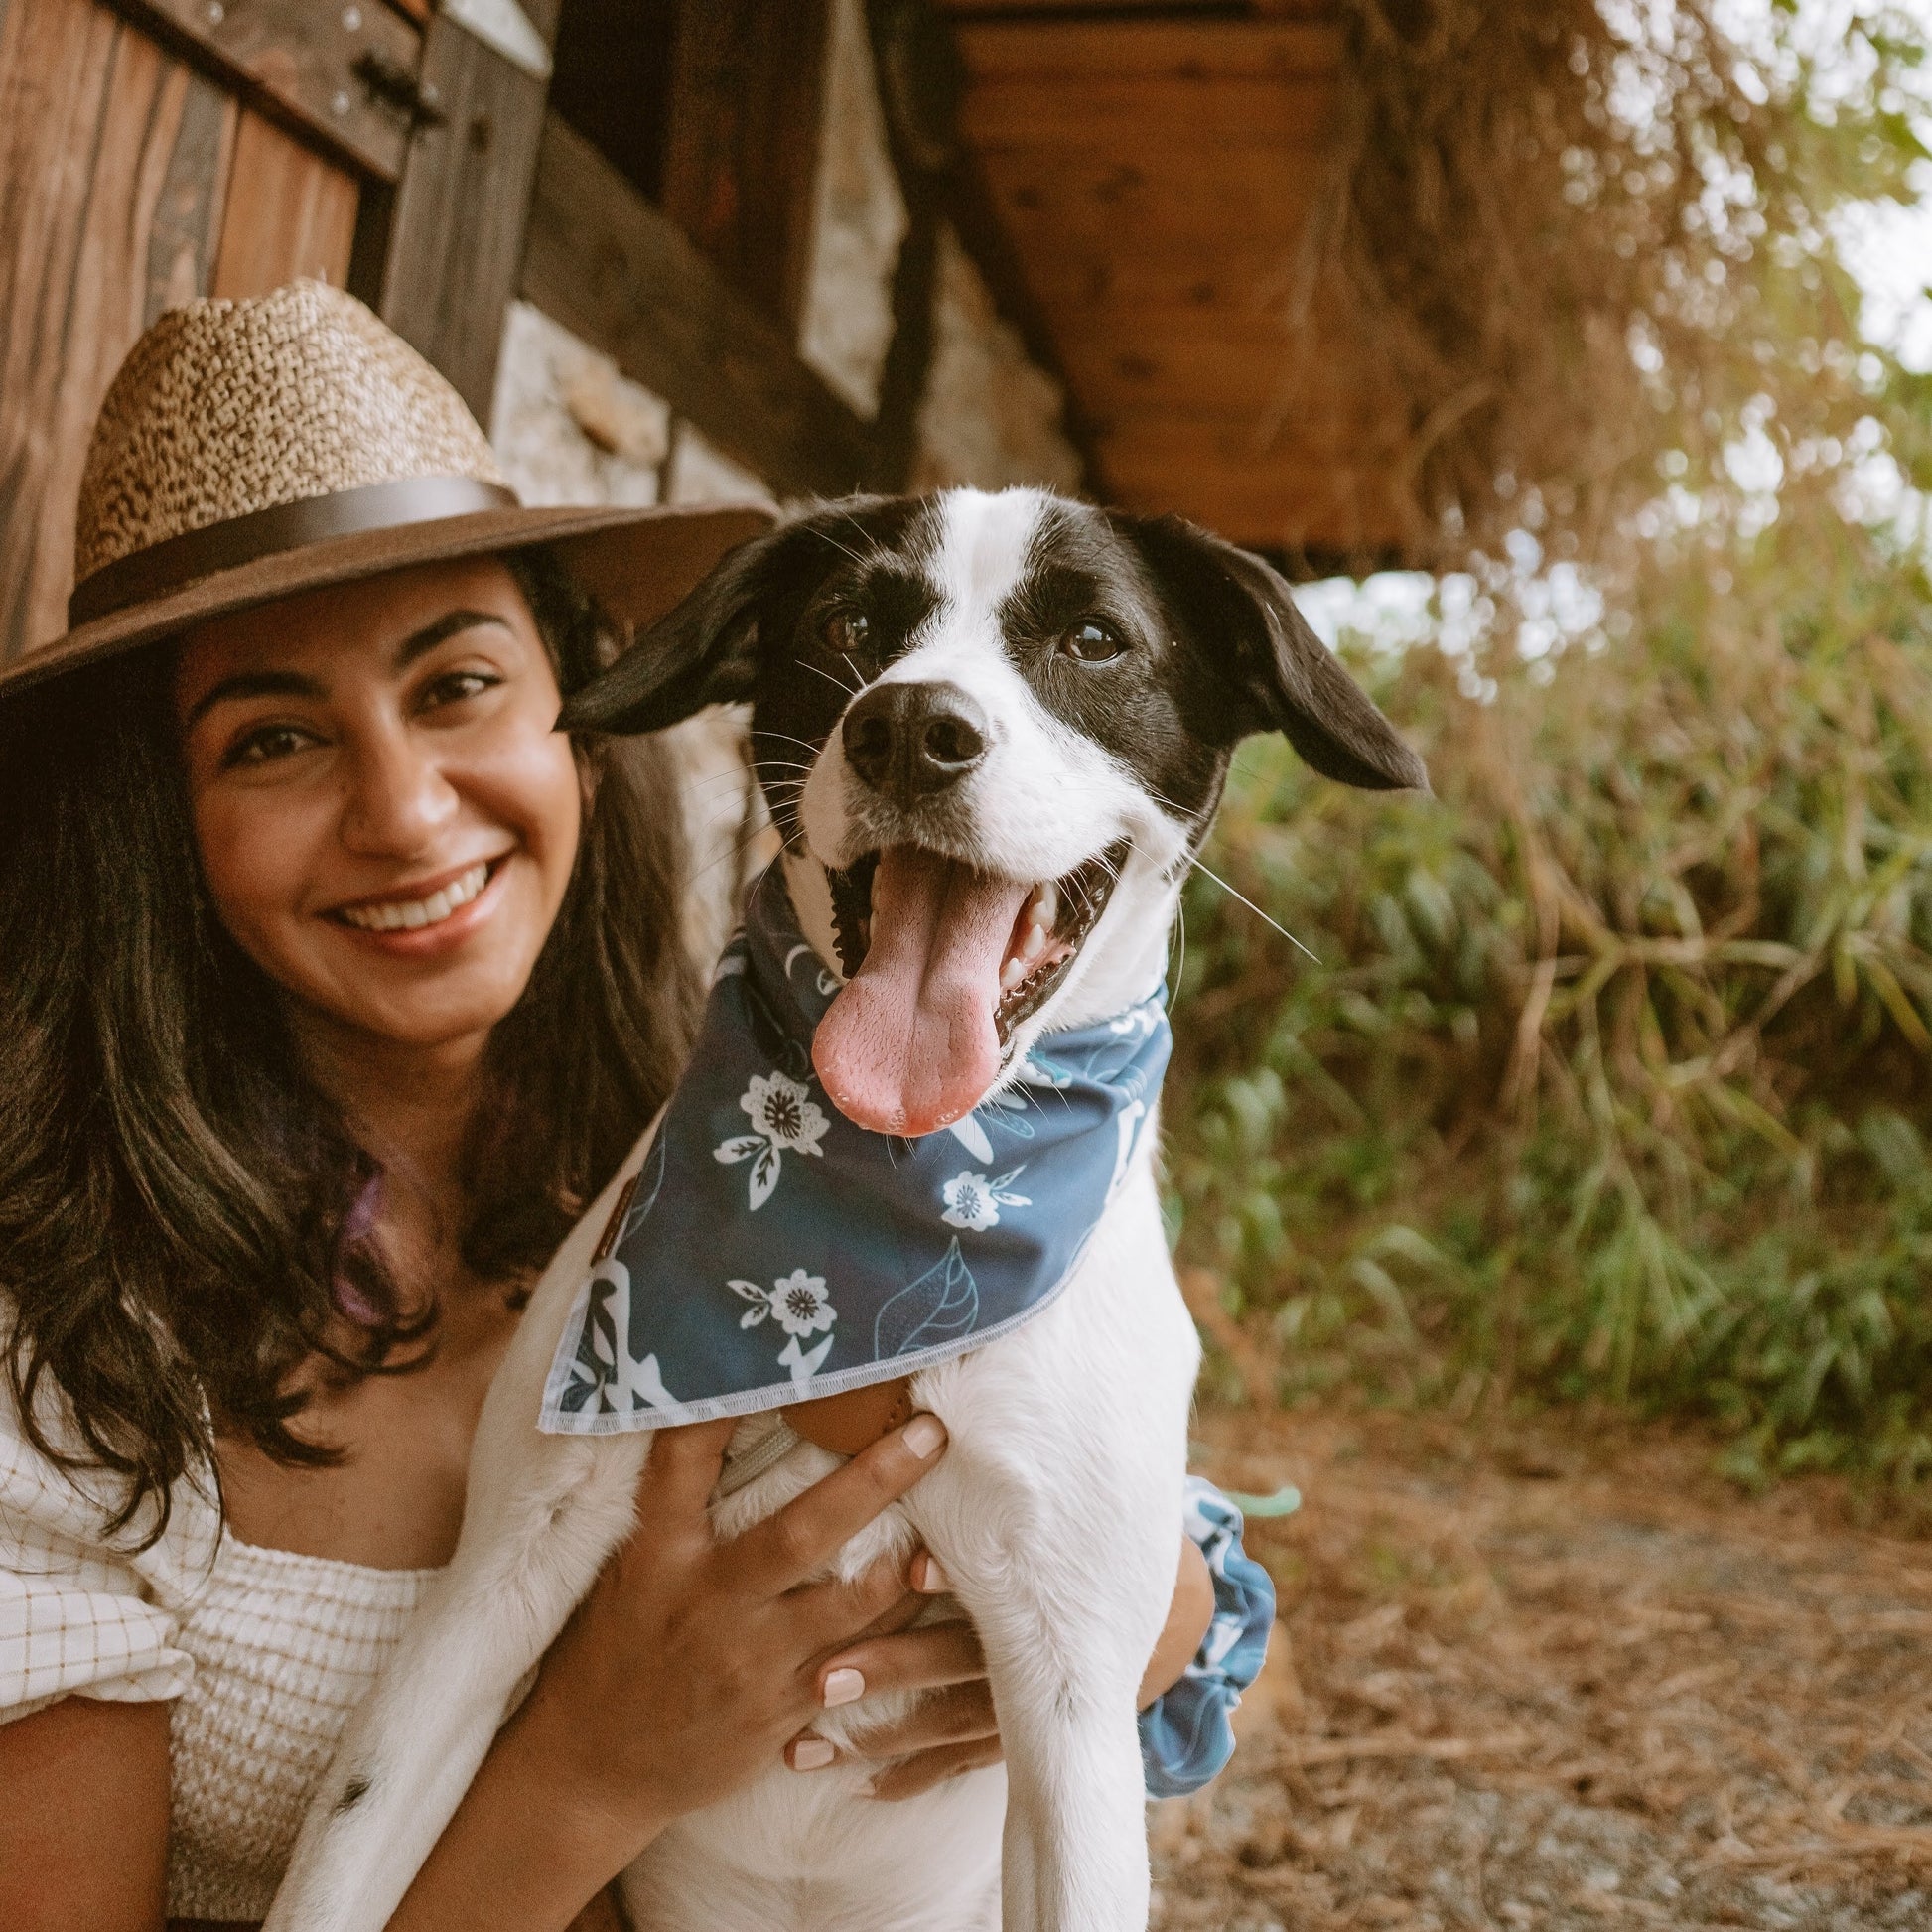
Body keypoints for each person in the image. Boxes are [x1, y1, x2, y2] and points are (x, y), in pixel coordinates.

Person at [0, 283, 1268, 1931]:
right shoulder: (68, 1347)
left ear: (590, 726)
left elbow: (1136, 1555)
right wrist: (597, 1765)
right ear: (150, 822)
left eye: (456, 686)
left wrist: (1153, 1603)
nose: (403, 812)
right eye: (277, 738)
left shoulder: (743, 1141)